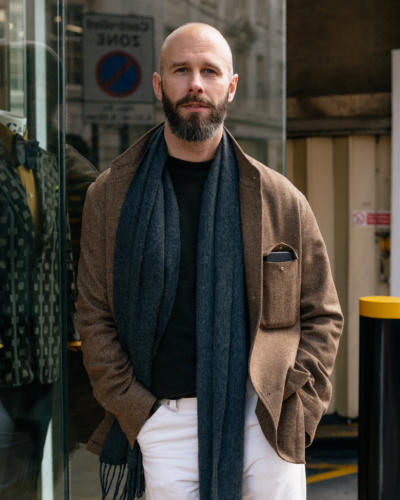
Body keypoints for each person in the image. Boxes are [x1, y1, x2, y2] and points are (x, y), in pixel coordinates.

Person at [76, 22, 343, 500]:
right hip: (164, 421)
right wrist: (140, 415)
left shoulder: (279, 200)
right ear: (159, 84)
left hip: (264, 418)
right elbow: (94, 318)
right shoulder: (111, 197)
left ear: (231, 87)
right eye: (181, 70)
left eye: (209, 71)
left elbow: (322, 314)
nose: (195, 83)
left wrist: (299, 407)